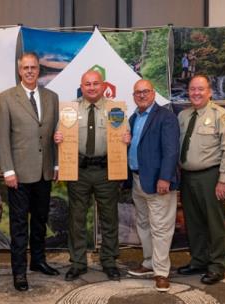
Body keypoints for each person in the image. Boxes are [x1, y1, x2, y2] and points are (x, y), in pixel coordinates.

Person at [54, 70, 130, 281]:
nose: (91, 87)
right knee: (76, 219)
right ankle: (78, 262)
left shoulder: (115, 109)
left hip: (106, 170)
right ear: (82, 85)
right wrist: (58, 137)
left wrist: (126, 136)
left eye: (95, 83)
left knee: (109, 218)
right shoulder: (70, 109)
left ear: (103, 85)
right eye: (87, 84)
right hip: (78, 170)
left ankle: (109, 261)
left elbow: (124, 134)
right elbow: (60, 135)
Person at [0, 52, 60, 292]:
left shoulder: (52, 97)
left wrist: (55, 165)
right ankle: (19, 271)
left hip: (44, 172)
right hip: (19, 174)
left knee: (41, 220)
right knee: (20, 225)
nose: (30, 71)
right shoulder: (6, 99)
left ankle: (38, 261)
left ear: (39, 71)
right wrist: (8, 170)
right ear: (19, 70)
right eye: (26, 68)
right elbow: (1, 138)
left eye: (34, 67)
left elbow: (53, 134)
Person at [177, 75, 225, 284]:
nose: (196, 93)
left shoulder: (222, 116)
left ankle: (217, 265)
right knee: (193, 223)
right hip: (187, 176)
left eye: (200, 89)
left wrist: (223, 180)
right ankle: (198, 260)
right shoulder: (183, 116)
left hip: (211, 177)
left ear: (210, 92)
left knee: (215, 223)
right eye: (192, 89)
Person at [126, 80, 180, 292]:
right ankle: (149, 263)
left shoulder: (166, 117)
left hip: (159, 182)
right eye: (137, 92)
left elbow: (171, 151)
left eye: (145, 91)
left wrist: (165, 178)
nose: (141, 95)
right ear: (133, 95)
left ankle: (161, 272)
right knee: (144, 224)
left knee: (161, 228)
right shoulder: (134, 117)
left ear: (154, 93)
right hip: (138, 180)